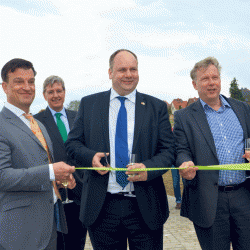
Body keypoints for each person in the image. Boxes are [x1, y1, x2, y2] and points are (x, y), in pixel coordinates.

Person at [65, 49, 175, 250]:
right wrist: (91, 158)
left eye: (133, 69)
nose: (129, 74)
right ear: (110, 73)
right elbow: (72, 144)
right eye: (122, 69)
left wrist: (148, 168)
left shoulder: (156, 107)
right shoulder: (89, 104)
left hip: (146, 206)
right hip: (102, 206)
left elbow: (168, 151)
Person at [174, 57, 250, 250]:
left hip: (244, 195)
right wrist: (185, 162)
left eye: (215, 77)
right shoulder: (184, 117)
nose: (212, 83)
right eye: (205, 79)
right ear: (195, 84)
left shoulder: (242, 108)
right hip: (209, 200)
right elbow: (181, 149)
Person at [0, 59, 76, 250]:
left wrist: (60, 179)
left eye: (31, 81)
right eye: (19, 81)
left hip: (50, 226)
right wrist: (51, 171)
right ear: (5, 87)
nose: (27, 87)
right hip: (19, 232)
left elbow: (39, 168)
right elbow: (2, 176)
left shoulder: (38, 124)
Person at [34, 76, 87, 249]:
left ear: (64, 92)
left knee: (78, 240)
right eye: (51, 92)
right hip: (55, 194)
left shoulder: (78, 116)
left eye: (59, 91)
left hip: (81, 191)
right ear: (44, 95)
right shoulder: (36, 121)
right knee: (59, 243)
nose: (55, 95)